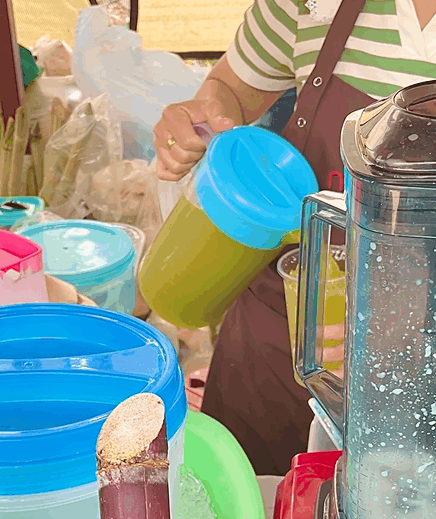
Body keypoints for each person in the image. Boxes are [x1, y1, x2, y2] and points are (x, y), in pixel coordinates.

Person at [154, 0, 436, 476]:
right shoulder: (308, 5)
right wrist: (201, 116)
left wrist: (407, 321)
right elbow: (230, 89)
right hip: (271, 343)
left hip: (412, 386)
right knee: (244, 501)